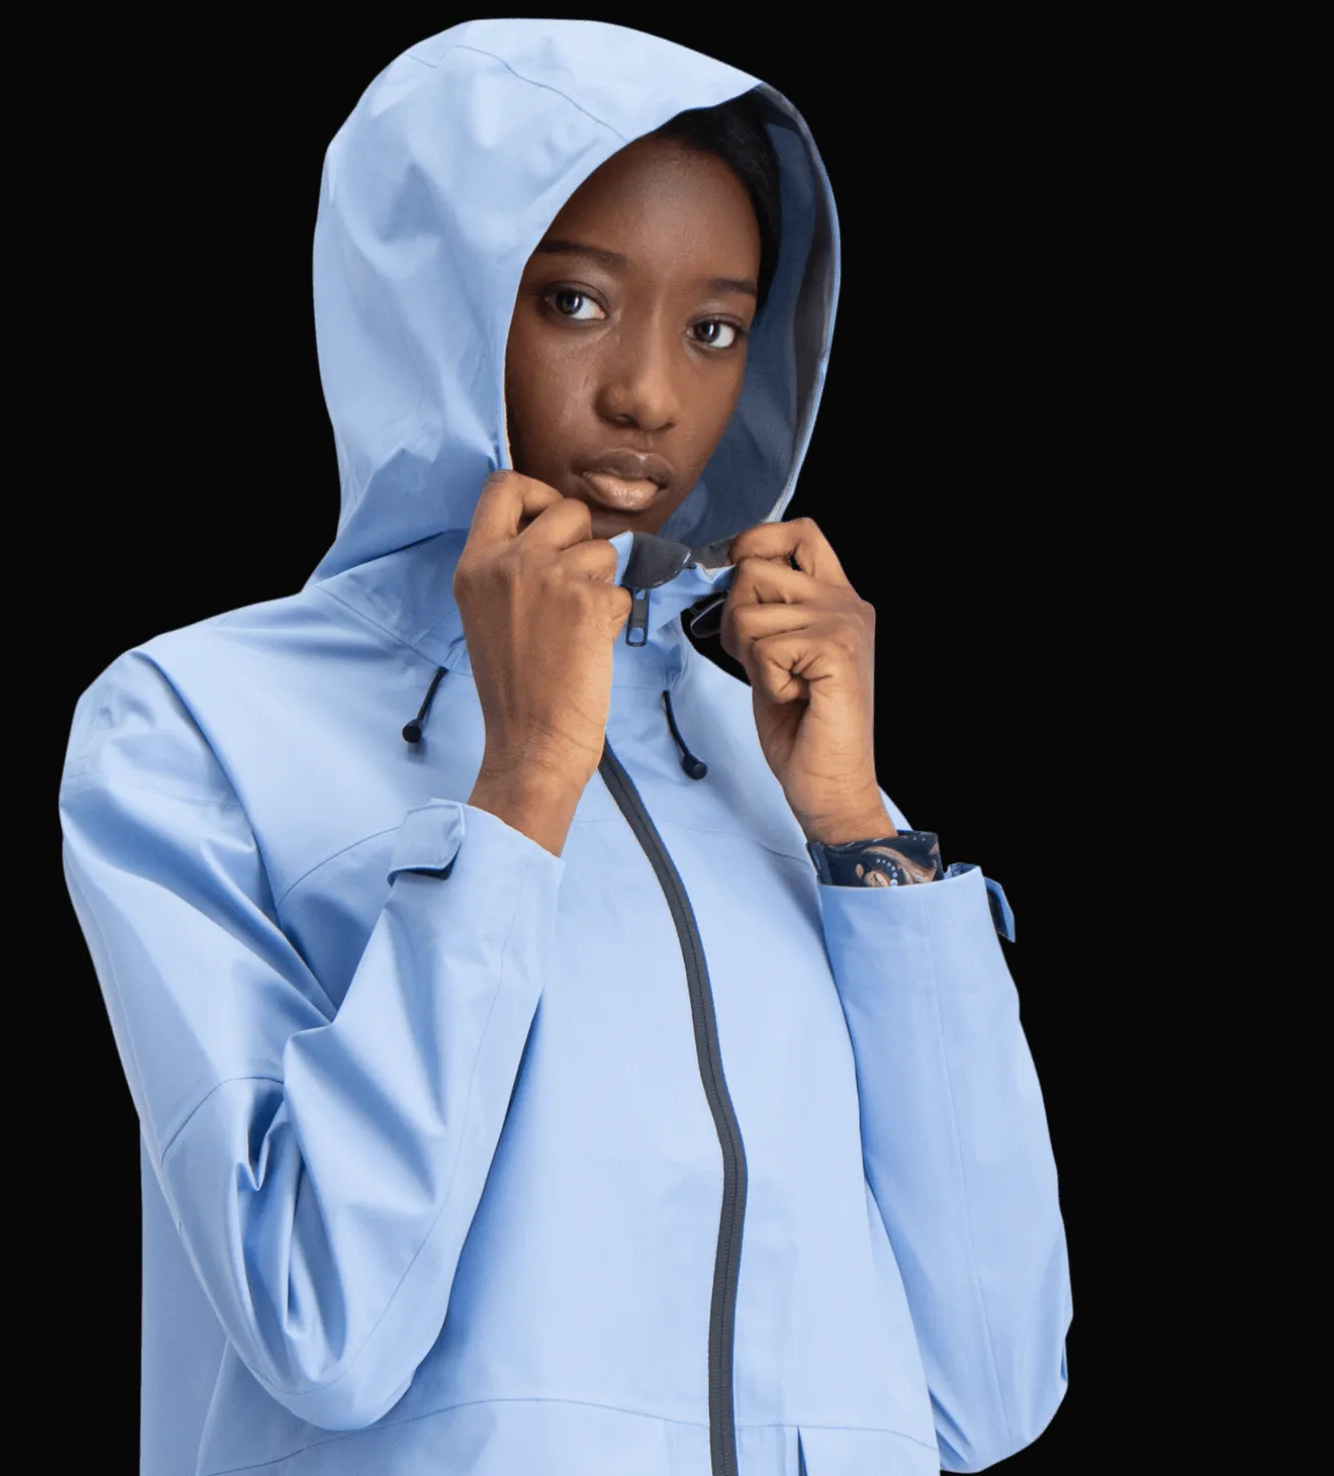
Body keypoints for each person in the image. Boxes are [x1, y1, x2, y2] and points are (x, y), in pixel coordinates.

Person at [59, 18, 1070, 1476]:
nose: (650, 394)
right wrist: (523, 786)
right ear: (437, 301)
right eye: (576, 301)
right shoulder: (196, 725)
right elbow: (321, 1324)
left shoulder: (779, 767)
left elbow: (991, 1385)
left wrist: (857, 829)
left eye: (714, 329)